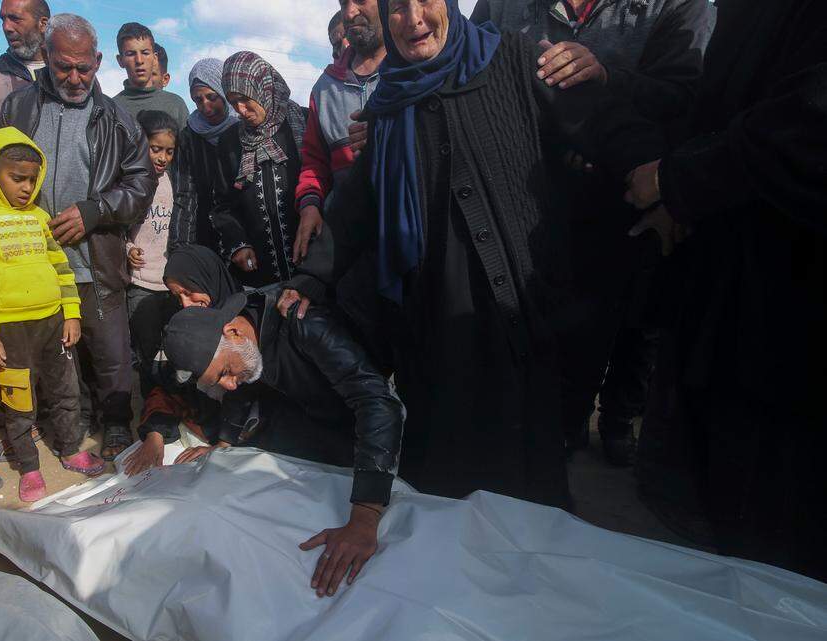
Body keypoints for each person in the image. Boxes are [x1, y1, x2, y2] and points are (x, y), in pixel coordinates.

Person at [281, 0, 666, 507]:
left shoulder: (517, 60)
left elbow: (601, 124)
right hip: (432, 323)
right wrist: (310, 277)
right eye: (397, 8)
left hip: (519, 314)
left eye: (425, 2)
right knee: (444, 483)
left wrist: (658, 178)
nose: (413, 19)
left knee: (527, 482)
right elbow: (357, 202)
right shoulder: (391, 103)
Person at [622, 0, 827, 581]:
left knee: (778, 566)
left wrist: (678, 178)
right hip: (719, 299)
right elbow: (710, 102)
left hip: (790, 326)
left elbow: (810, 121)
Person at [472, 0, 713, 466]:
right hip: (516, 198)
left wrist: (606, 79)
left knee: (599, 340)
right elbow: (464, 65)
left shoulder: (680, 7)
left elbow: (685, 99)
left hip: (618, 204)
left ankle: (584, 427)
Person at [163, 289, 404, 598]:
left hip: (373, 426)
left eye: (224, 372)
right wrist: (223, 445)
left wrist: (366, 516)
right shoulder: (243, 340)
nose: (229, 384)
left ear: (233, 331)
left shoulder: (303, 322)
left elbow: (377, 403)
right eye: (218, 381)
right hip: (319, 420)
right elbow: (243, 387)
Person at [0, 13, 156, 461]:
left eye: (83, 68)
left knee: (109, 352)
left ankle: (117, 424)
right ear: (46, 57)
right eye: (63, 65)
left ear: (99, 61)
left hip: (95, 261)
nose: (73, 77)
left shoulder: (118, 120)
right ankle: (65, 426)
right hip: (32, 262)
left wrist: (96, 210)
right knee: (53, 354)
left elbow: (140, 185)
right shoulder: (18, 108)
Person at [0, 127, 99, 502]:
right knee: (18, 401)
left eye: (32, 179)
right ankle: (29, 465)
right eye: (16, 178)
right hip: (7, 328)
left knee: (65, 388)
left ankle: (70, 449)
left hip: (53, 322)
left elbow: (61, 267)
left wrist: (71, 313)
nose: (25, 187)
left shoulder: (39, 215)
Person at [294, 0, 387, 263]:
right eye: (343, 3)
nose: (349, 13)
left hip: (410, 233)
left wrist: (389, 136)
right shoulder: (323, 89)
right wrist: (310, 205)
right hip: (346, 239)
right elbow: (314, 161)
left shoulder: (409, 68)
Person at [212, 51, 309, 288]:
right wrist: (238, 243)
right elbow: (223, 205)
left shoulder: (303, 123)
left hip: (311, 267)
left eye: (245, 99)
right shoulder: (230, 142)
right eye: (233, 102)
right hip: (260, 273)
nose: (241, 110)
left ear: (263, 88)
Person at [126, 111, 180, 395]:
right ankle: (152, 404)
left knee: (170, 350)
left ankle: (173, 401)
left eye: (169, 151)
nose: (162, 157)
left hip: (170, 283)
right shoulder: (129, 182)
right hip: (140, 283)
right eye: (155, 149)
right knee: (146, 350)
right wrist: (128, 249)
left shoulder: (175, 183)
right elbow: (120, 228)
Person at [168, 58, 237, 251]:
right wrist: (181, 249)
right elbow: (185, 195)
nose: (205, 106)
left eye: (211, 97)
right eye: (198, 100)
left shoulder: (244, 129)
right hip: (206, 236)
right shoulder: (189, 137)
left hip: (246, 236)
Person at [0, 0, 50, 141]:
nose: (6, 27)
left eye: (15, 18)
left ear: (43, 24)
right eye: (2, 19)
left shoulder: (72, 69)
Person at [112, 22, 189, 128]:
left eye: (145, 53)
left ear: (155, 58)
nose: (139, 60)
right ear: (120, 60)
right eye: (131, 54)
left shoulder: (175, 105)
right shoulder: (111, 109)